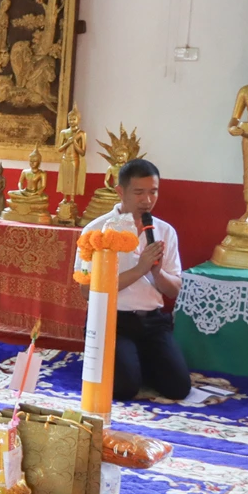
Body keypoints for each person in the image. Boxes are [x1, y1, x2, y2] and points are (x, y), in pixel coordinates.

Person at [79, 158, 190, 402]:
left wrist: (156, 272)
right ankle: (124, 362)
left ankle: (136, 360)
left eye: (153, 192)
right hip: (112, 321)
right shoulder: (96, 231)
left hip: (153, 322)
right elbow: (87, 291)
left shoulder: (164, 231)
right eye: (139, 192)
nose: (147, 200)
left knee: (179, 388)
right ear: (120, 191)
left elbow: (173, 291)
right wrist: (140, 269)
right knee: (124, 390)